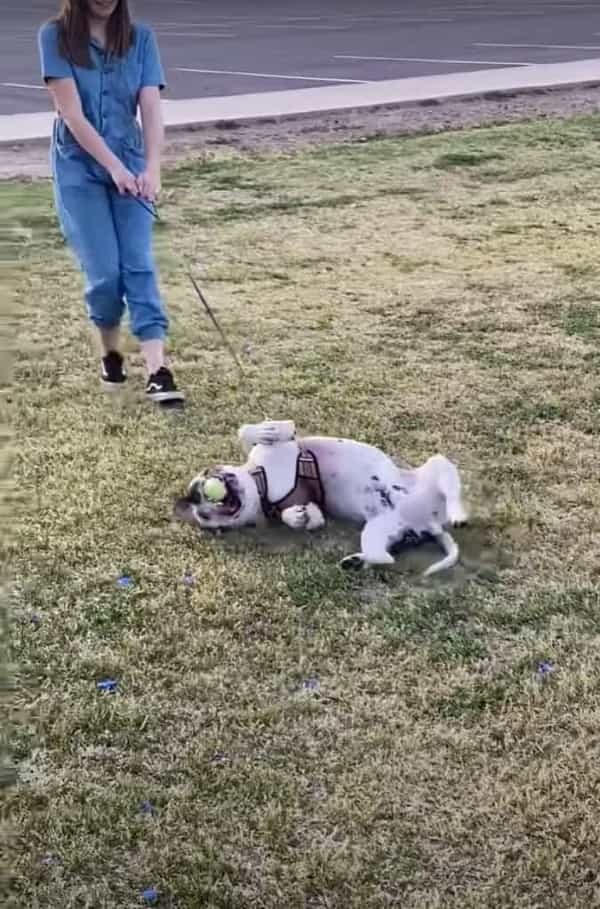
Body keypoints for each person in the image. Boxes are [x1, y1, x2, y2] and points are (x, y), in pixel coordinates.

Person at [38, 0, 184, 407]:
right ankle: (110, 353)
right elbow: (71, 113)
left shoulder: (141, 39)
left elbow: (151, 107)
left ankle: (157, 370)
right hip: (79, 170)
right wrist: (113, 167)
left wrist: (151, 168)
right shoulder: (55, 37)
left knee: (138, 264)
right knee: (104, 274)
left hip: (132, 164)